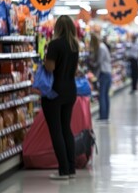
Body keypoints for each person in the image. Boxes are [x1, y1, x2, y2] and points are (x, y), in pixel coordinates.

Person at [43, 15, 79, 180]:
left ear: (57, 28)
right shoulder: (75, 46)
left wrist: (44, 59)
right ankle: (71, 168)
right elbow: (75, 70)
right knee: (66, 129)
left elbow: (50, 68)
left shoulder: (54, 44)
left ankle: (63, 170)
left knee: (56, 131)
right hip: (70, 91)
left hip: (54, 92)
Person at [89, 33, 112, 122]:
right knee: (105, 95)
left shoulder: (101, 48)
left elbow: (98, 62)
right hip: (107, 73)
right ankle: (105, 116)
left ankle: (103, 116)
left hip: (104, 73)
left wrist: (90, 63)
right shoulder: (102, 47)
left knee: (102, 95)